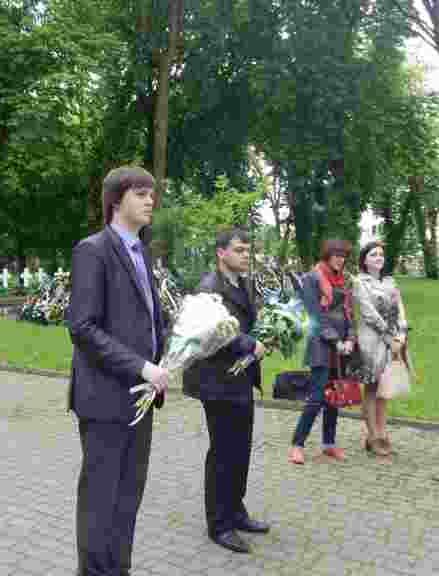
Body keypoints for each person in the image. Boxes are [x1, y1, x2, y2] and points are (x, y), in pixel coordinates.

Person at [66, 165, 168, 576]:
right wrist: (142, 366)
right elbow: (82, 327)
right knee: (100, 500)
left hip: (140, 400)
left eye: (151, 194)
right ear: (115, 200)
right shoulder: (93, 250)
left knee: (128, 497)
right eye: (140, 193)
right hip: (105, 398)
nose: (150, 200)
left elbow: (145, 319)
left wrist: (172, 352)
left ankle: (118, 569)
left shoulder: (143, 252)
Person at [181, 228, 270, 554]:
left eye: (248, 250)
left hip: (240, 378)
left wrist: (269, 333)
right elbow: (216, 330)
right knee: (223, 453)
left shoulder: (241, 283)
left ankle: (236, 510)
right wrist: (250, 344)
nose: (246, 255)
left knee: (240, 449)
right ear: (221, 253)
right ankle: (219, 524)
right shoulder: (209, 288)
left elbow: (246, 323)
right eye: (239, 250)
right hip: (216, 381)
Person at [288, 239, 355, 464]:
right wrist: (336, 341)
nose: (340, 260)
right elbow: (315, 315)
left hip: (341, 346)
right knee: (316, 397)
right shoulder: (312, 278)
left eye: (343, 256)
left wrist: (350, 338)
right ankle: (297, 445)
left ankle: (328, 444)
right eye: (337, 255)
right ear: (327, 255)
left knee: (334, 397)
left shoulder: (343, 279)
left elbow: (348, 312)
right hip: (321, 344)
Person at [353, 241, 408, 457]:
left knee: (386, 388)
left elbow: (400, 309)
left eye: (381, 254)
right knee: (372, 388)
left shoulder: (390, 282)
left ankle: (383, 433)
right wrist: (389, 337)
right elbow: (369, 314)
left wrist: (401, 335)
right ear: (364, 260)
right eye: (373, 254)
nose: (378, 257)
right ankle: (373, 435)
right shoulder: (360, 282)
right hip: (371, 342)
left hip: (393, 340)